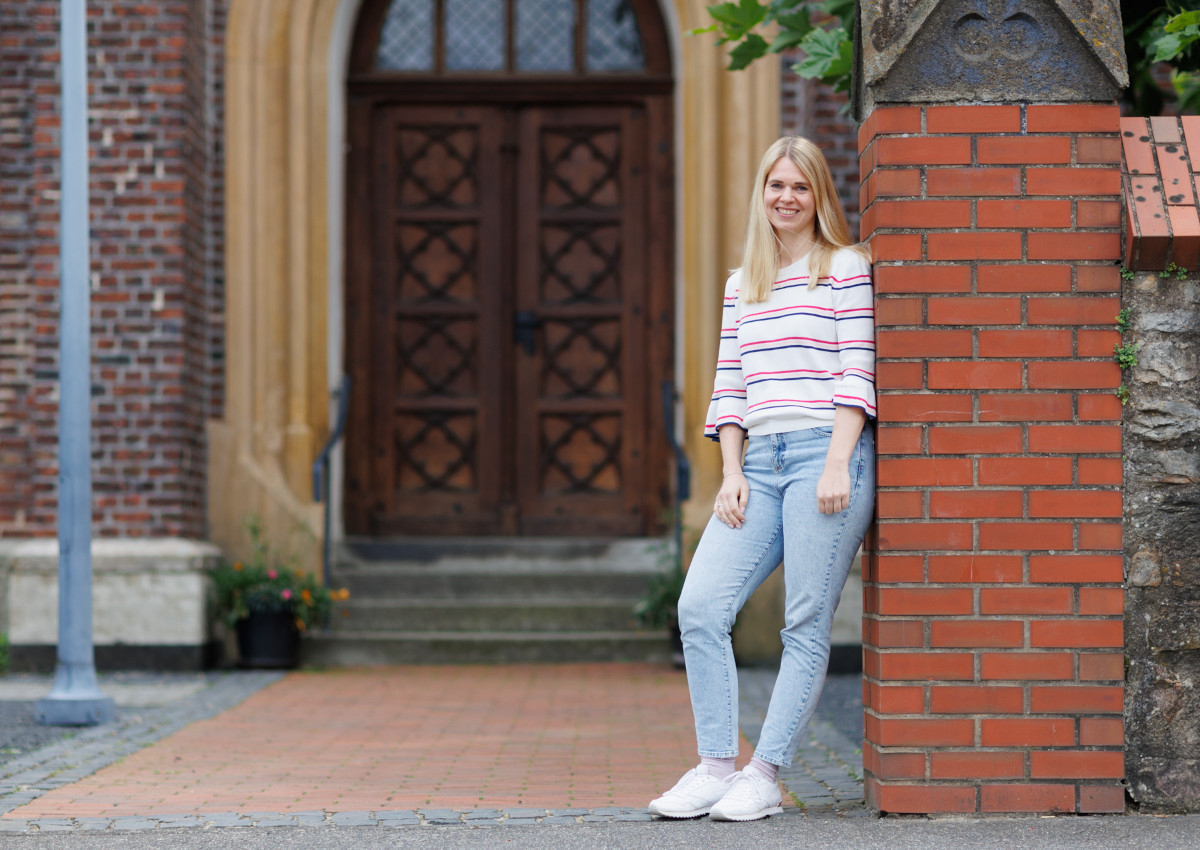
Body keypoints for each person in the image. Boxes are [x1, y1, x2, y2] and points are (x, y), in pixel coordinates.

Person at [648, 136, 875, 822]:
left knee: (805, 621)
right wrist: (731, 472)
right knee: (700, 607)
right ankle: (717, 766)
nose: (786, 198)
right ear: (762, 193)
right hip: (760, 465)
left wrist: (838, 459)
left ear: (819, 197)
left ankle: (765, 773)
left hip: (825, 458)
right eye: (776, 185)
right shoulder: (740, 282)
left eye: (800, 187)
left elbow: (856, 372)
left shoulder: (843, 266)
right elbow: (731, 387)